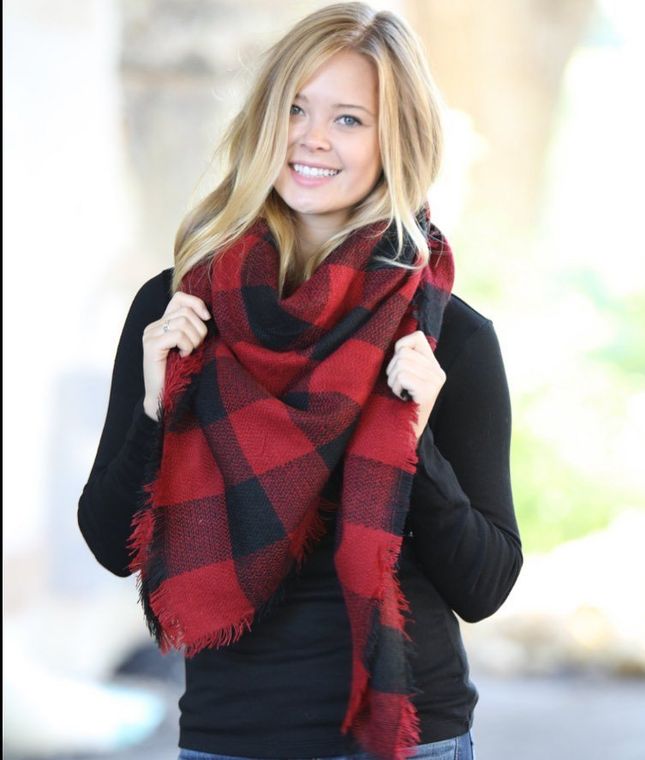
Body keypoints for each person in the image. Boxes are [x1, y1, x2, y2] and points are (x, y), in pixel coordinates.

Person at [78, 3, 523, 760]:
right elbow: (109, 543)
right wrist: (155, 408)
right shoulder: (179, 309)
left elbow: (484, 585)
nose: (313, 138)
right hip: (234, 733)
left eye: (350, 119)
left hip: (406, 734)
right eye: (295, 108)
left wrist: (419, 445)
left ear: (397, 141)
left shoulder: (447, 338)